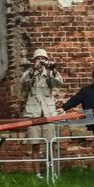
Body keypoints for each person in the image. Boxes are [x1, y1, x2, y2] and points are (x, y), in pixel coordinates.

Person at [19, 49, 62, 178]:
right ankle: (37, 173)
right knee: (35, 144)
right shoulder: (29, 73)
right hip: (33, 113)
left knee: (52, 144)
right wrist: (33, 71)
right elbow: (23, 83)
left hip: (48, 113)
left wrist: (53, 70)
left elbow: (58, 83)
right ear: (34, 60)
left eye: (43, 58)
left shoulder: (49, 73)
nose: (41, 61)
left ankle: (53, 173)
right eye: (39, 58)